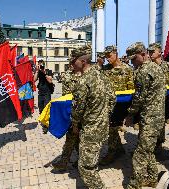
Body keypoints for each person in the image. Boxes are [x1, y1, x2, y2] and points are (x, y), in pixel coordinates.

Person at [71, 45, 114, 189]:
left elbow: (77, 110)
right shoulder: (101, 75)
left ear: (83, 61)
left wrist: (75, 125)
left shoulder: (83, 82)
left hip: (90, 129)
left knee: (86, 167)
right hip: (102, 125)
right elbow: (112, 98)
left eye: (73, 60)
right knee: (92, 161)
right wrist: (104, 115)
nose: (71, 63)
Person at [125, 42, 166, 188]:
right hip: (156, 116)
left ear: (143, 54)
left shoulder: (144, 71)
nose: (132, 62)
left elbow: (139, 97)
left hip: (150, 117)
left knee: (140, 153)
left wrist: (130, 114)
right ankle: (152, 178)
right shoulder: (157, 68)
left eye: (134, 58)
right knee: (148, 149)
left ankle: (134, 184)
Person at [99, 45, 134, 166]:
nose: (108, 59)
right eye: (106, 57)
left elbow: (131, 89)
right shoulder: (104, 70)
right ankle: (114, 150)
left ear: (116, 54)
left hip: (123, 105)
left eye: (109, 56)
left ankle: (118, 150)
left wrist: (130, 111)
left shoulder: (127, 69)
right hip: (110, 105)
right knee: (110, 128)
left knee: (114, 128)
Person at [52, 53, 81, 171]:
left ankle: (76, 160)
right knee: (71, 136)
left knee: (77, 137)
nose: (71, 64)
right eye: (70, 62)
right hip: (69, 110)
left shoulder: (86, 75)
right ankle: (65, 160)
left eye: (73, 61)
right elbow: (65, 94)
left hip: (82, 111)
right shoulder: (67, 75)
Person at [148, 43, 169, 153]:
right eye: (149, 51)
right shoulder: (148, 67)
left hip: (165, 100)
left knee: (161, 125)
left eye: (153, 51)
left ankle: (159, 147)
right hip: (151, 101)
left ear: (160, 52)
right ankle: (149, 147)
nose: (150, 53)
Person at [34, 60, 53, 133]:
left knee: (46, 108)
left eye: (41, 65)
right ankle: (43, 120)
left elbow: (50, 81)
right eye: (39, 65)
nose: (40, 67)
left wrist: (44, 73)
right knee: (41, 108)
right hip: (40, 93)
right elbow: (34, 80)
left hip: (47, 93)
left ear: (44, 65)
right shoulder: (38, 72)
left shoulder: (49, 71)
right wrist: (36, 71)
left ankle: (45, 126)